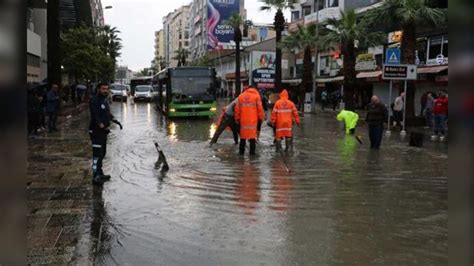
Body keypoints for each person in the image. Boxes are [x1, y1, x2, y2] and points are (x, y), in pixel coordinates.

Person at [89, 82, 115, 186]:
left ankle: (100, 173)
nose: (105, 91)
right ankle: (95, 176)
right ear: (98, 89)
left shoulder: (104, 99)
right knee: (96, 155)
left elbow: (106, 112)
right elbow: (95, 115)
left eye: (107, 89)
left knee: (102, 153)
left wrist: (111, 117)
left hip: (103, 132)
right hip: (96, 131)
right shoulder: (94, 100)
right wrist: (100, 124)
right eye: (103, 89)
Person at [235, 86, 265, 155]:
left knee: (243, 138)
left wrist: (237, 119)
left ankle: (241, 154)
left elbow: (237, 109)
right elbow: (260, 109)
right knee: (252, 138)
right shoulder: (256, 96)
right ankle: (252, 155)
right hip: (253, 121)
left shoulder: (240, 96)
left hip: (243, 121)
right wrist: (261, 118)